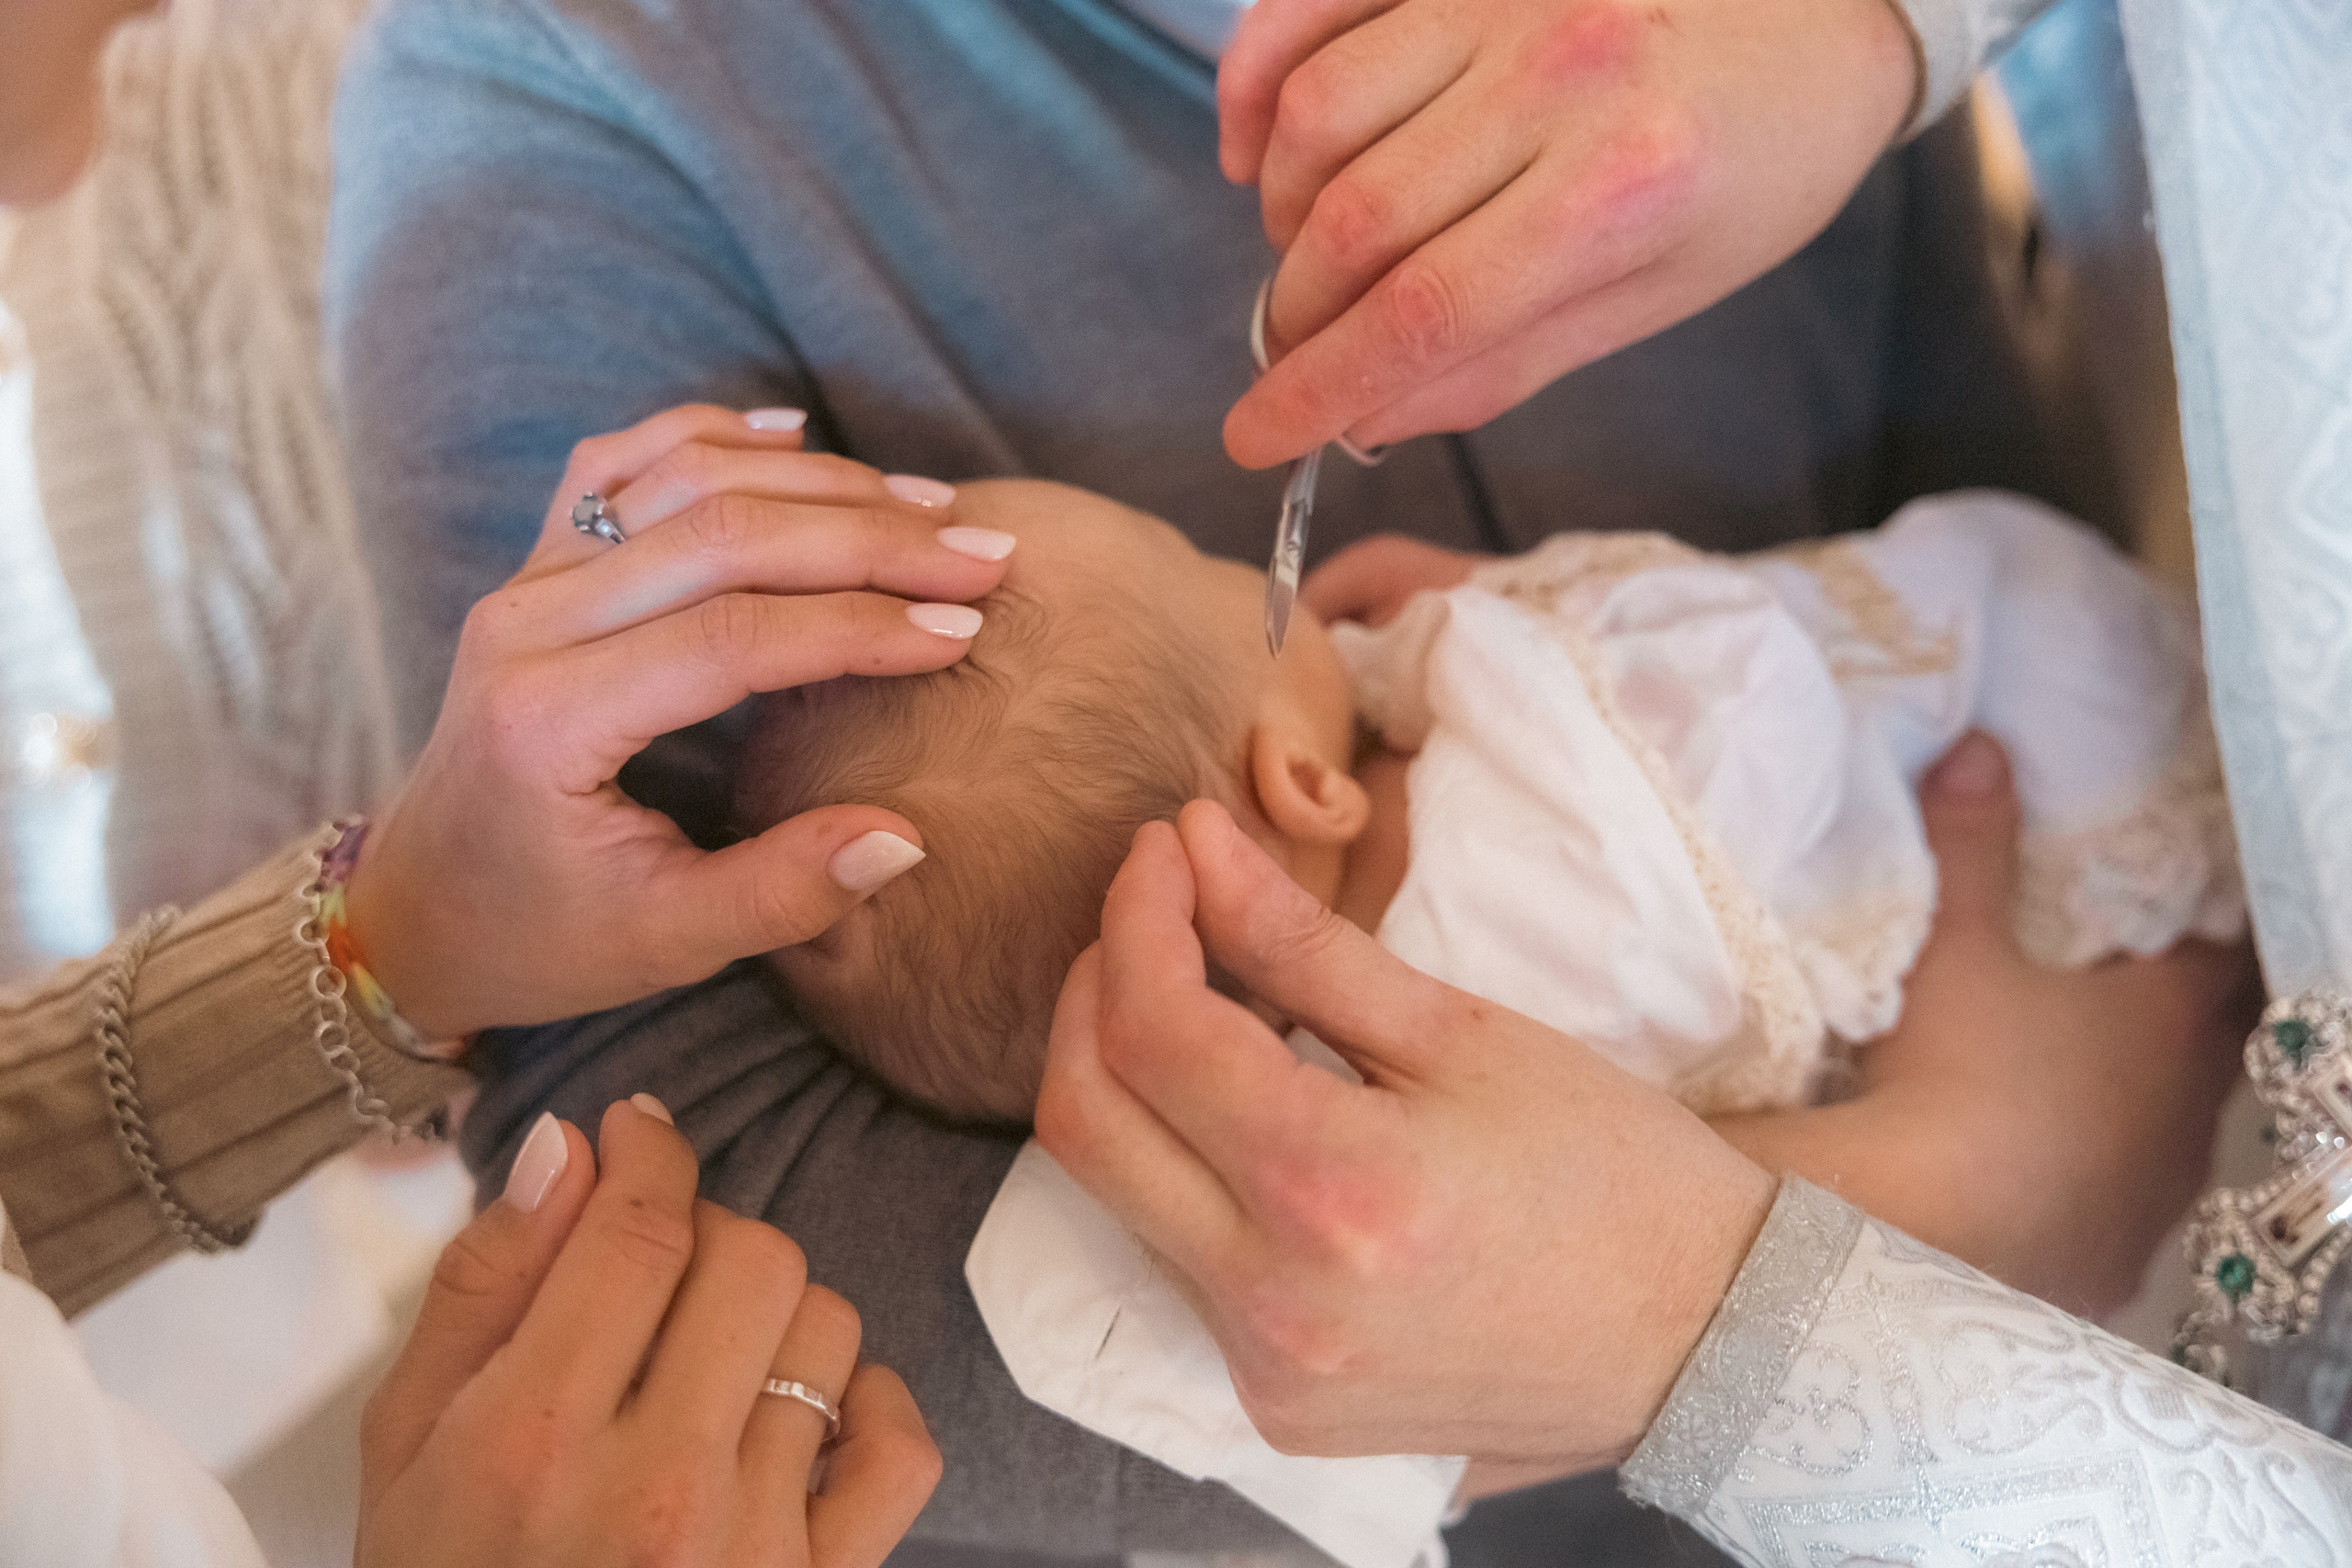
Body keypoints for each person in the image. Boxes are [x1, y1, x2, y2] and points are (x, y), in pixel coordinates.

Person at [330, 0, 2245, 1551]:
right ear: (1294, 792)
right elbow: (686, 1183)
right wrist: (1959, 1208)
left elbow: (1972, 542)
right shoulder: (562, 88)